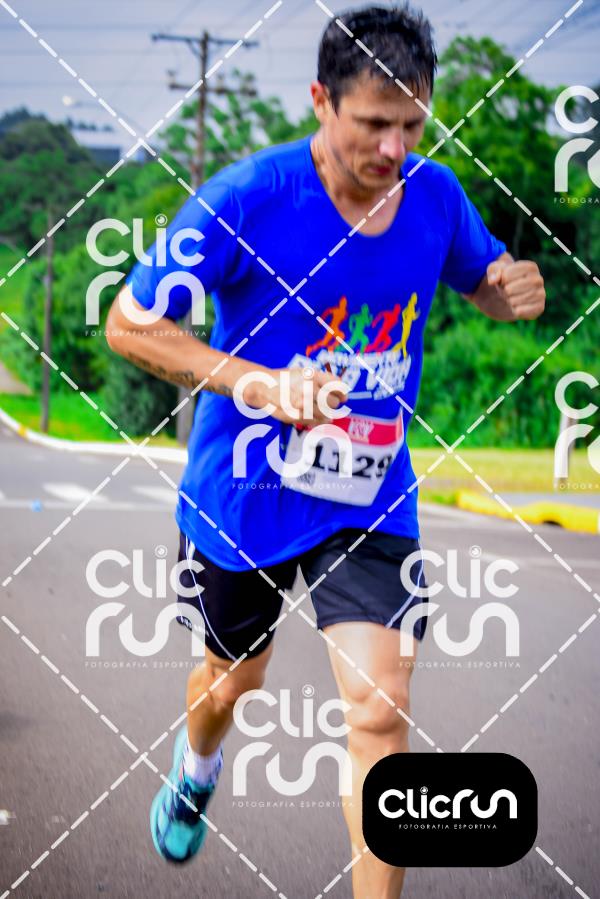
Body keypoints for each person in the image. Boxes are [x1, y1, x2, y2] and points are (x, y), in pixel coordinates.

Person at [106, 4, 546, 896]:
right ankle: (196, 769)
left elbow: (481, 280)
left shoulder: (436, 197)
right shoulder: (247, 198)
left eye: (412, 125)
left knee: (381, 709)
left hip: (371, 490)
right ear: (321, 100)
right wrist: (260, 385)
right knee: (231, 682)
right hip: (246, 493)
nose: (394, 147)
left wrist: (507, 292)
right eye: (374, 123)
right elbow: (129, 324)